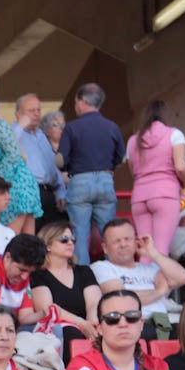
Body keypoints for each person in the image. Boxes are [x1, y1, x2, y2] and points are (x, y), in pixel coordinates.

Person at [58, 83, 126, 267]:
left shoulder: (72, 128)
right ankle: (114, 273)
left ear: (82, 101)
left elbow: (62, 160)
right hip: (105, 180)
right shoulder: (112, 127)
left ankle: (83, 280)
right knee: (110, 233)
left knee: (79, 234)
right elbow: (121, 156)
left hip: (80, 180)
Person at [126, 101, 185, 254]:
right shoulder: (174, 134)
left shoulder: (133, 140)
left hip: (139, 197)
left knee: (145, 251)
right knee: (160, 250)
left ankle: (145, 279)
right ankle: (158, 279)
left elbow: (132, 170)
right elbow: (181, 166)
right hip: (165, 194)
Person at [29, 219, 100, 354]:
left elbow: (94, 303)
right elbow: (48, 309)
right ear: (48, 245)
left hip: (85, 324)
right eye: (63, 239)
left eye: (73, 239)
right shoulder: (38, 275)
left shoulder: (84, 271)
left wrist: (92, 323)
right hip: (58, 327)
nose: (70, 243)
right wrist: (81, 323)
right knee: (71, 333)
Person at [91, 218, 185, 308]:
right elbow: (122, 298)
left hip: (161, 324)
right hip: (128, 323)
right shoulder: (101, 267)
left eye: (127, 239)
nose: (123, 244)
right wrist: (159, 291)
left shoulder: (151, 268)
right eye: (116, 241)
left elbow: (183, 277)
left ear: (136, 241)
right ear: (105, 248)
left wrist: (152, 253)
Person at [0, 95, 41, 234]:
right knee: (26, 243)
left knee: (9, 240)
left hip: (15, 184)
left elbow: (13, 154)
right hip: (16, 182)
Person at [14, 94, 65, 223]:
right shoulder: (14, 132)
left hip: (48, 193)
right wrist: (20, 126)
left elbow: (52, 165)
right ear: (18, 113)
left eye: (38, 110)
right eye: (31, 111)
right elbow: (8, 143)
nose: (36, 114)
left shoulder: (41, 135)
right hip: (28, 193)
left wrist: (61, 191)